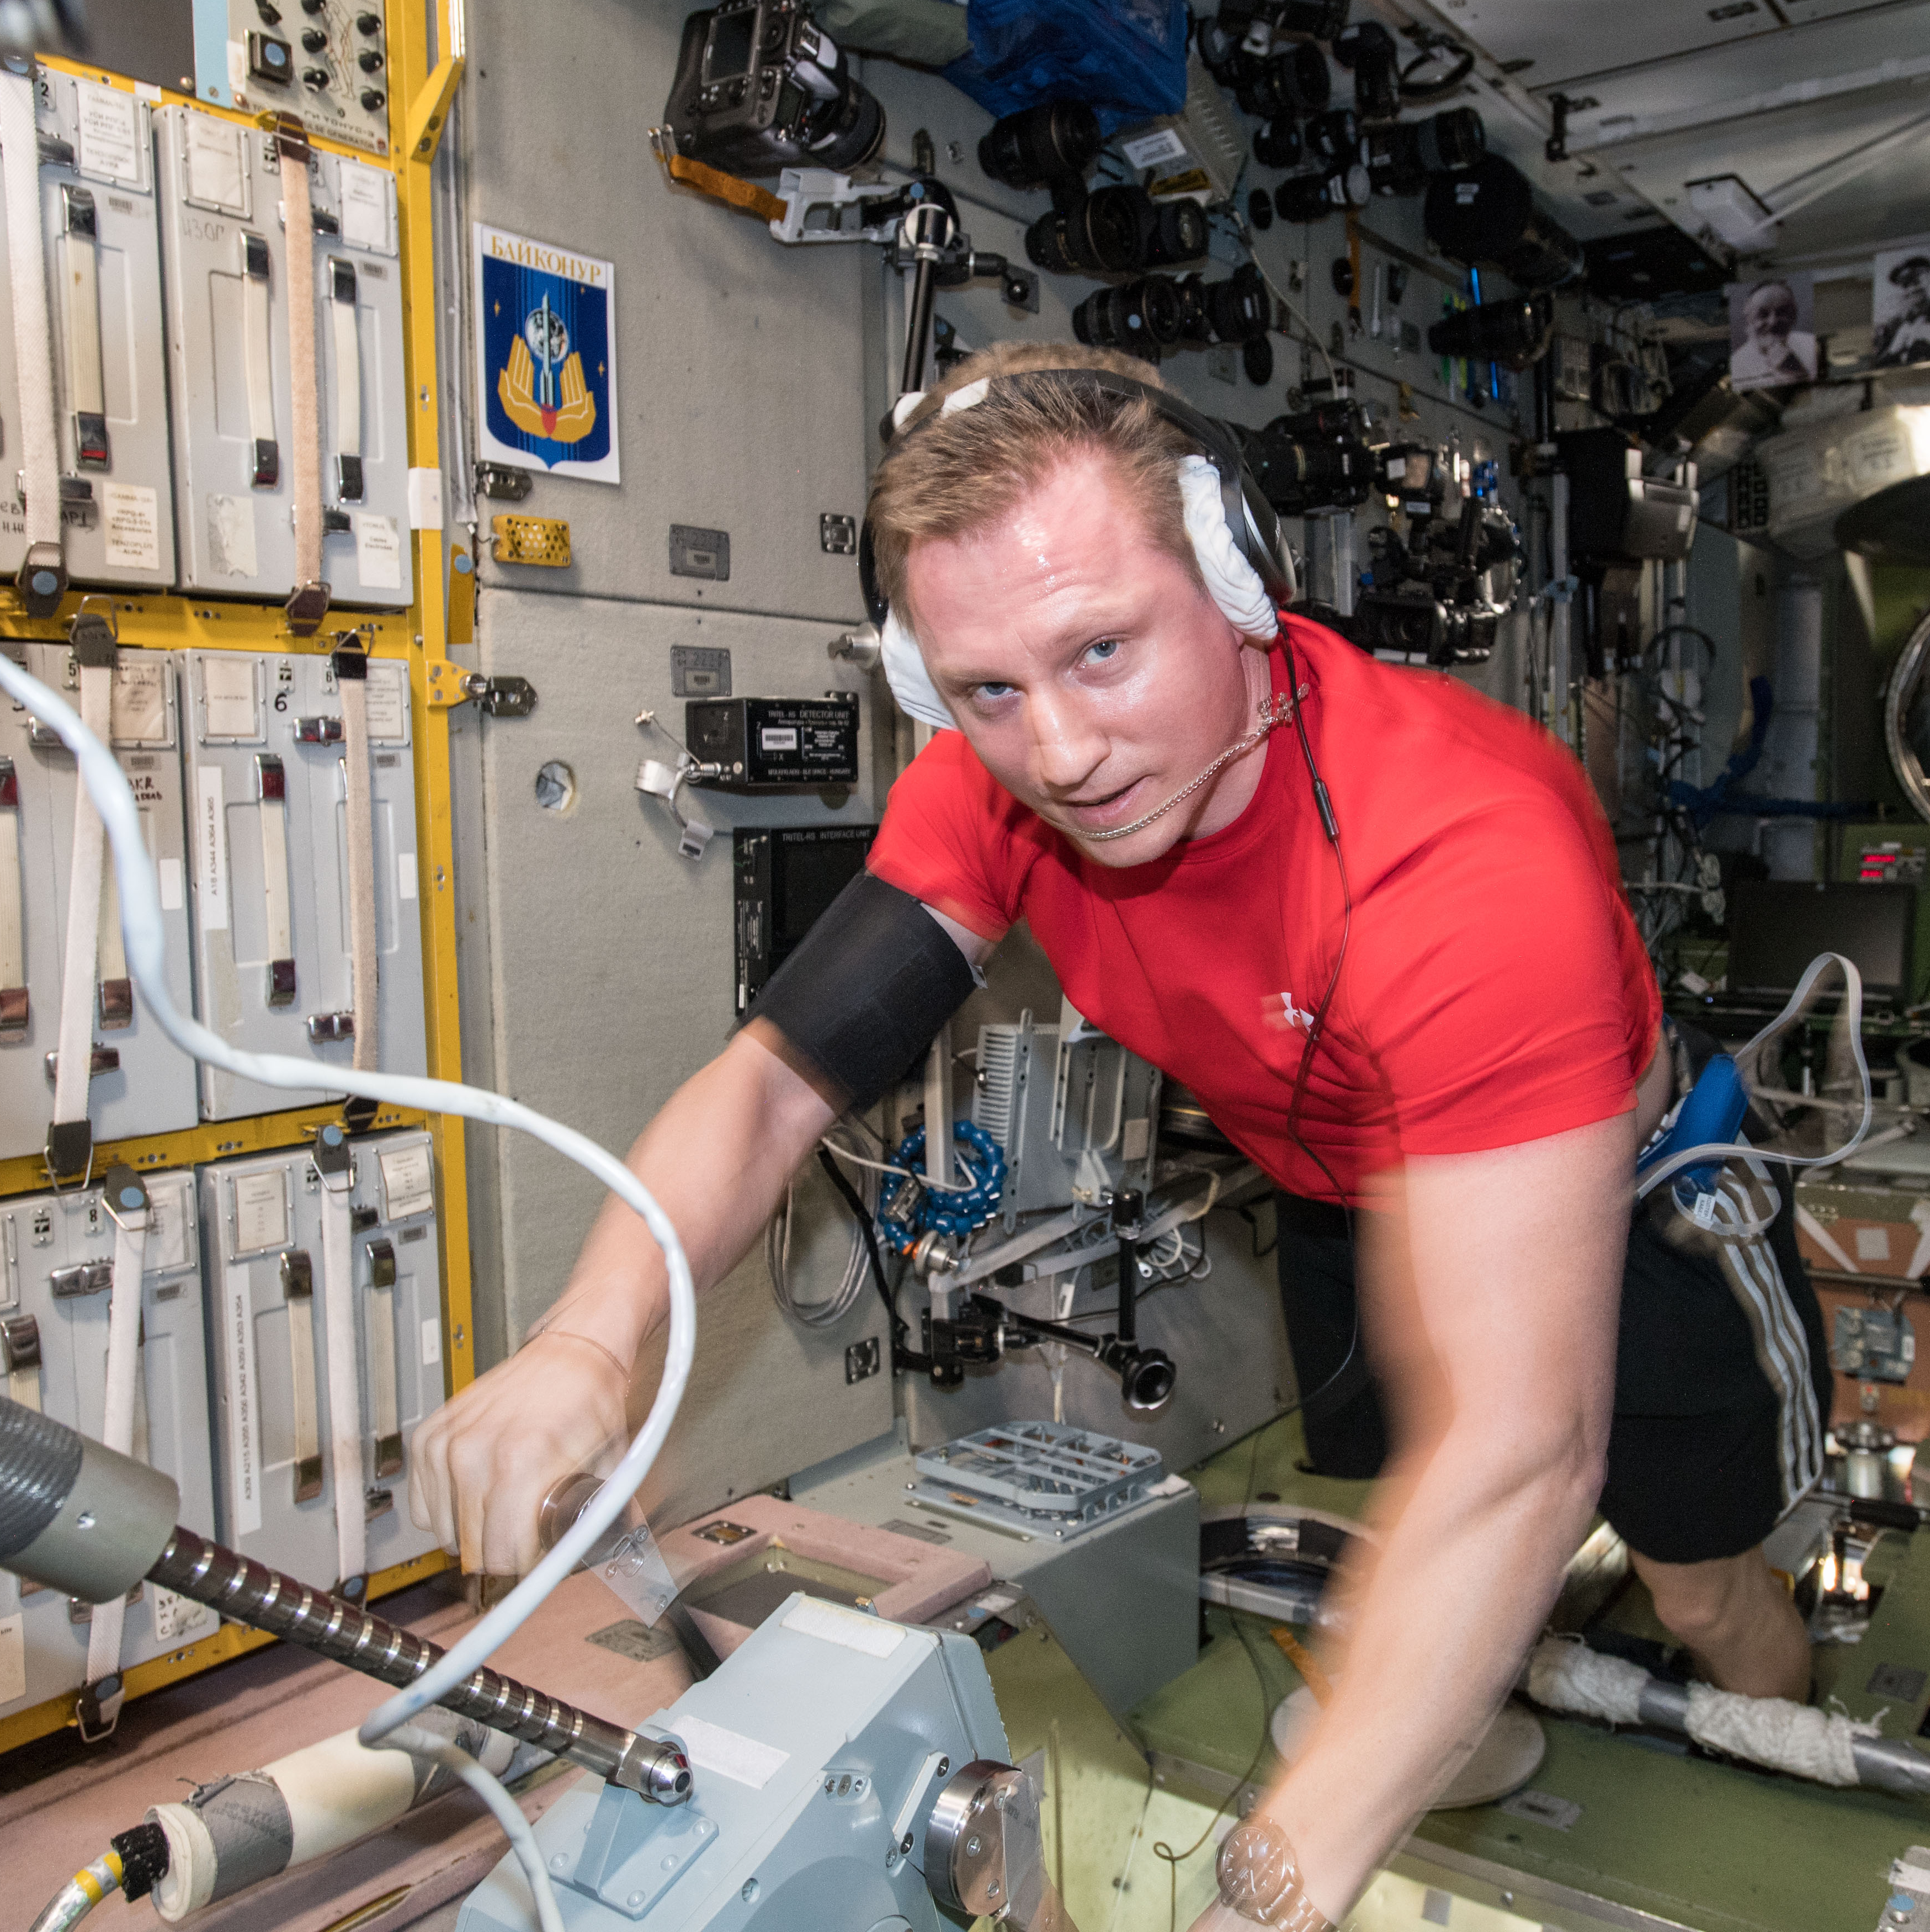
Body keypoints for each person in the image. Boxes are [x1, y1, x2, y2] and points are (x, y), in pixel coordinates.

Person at [407, 344, 1829, 1932]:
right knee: (1389, 1542)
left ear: (1236, 583)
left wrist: (1265, 1896)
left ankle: (1794, 1754)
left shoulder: (1464, 857)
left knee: (1696, 1581)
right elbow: (775, 1085)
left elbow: (1524, 1453)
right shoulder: (995, 785)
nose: (1062, 751)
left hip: (1607, 1189)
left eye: (1102, 651)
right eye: (991, 690)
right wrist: (587, 1347)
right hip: (1341, 1190)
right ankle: (1444, 1708)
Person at [1871, 252, 1930, 366]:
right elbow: (1878, 365)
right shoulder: (1893, 326)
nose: (1912, 290)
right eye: (1906, 285)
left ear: (1928, 280)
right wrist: (1894, 349)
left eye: (1917, 282)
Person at [1727, 279, 1819, 389]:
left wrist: (1794, 368)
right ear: (1749, 318)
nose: (1773, 322)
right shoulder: (1737, 364)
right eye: (1763, 314)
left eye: (1782, 312)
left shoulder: (1813, 345)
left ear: (1794, 316)